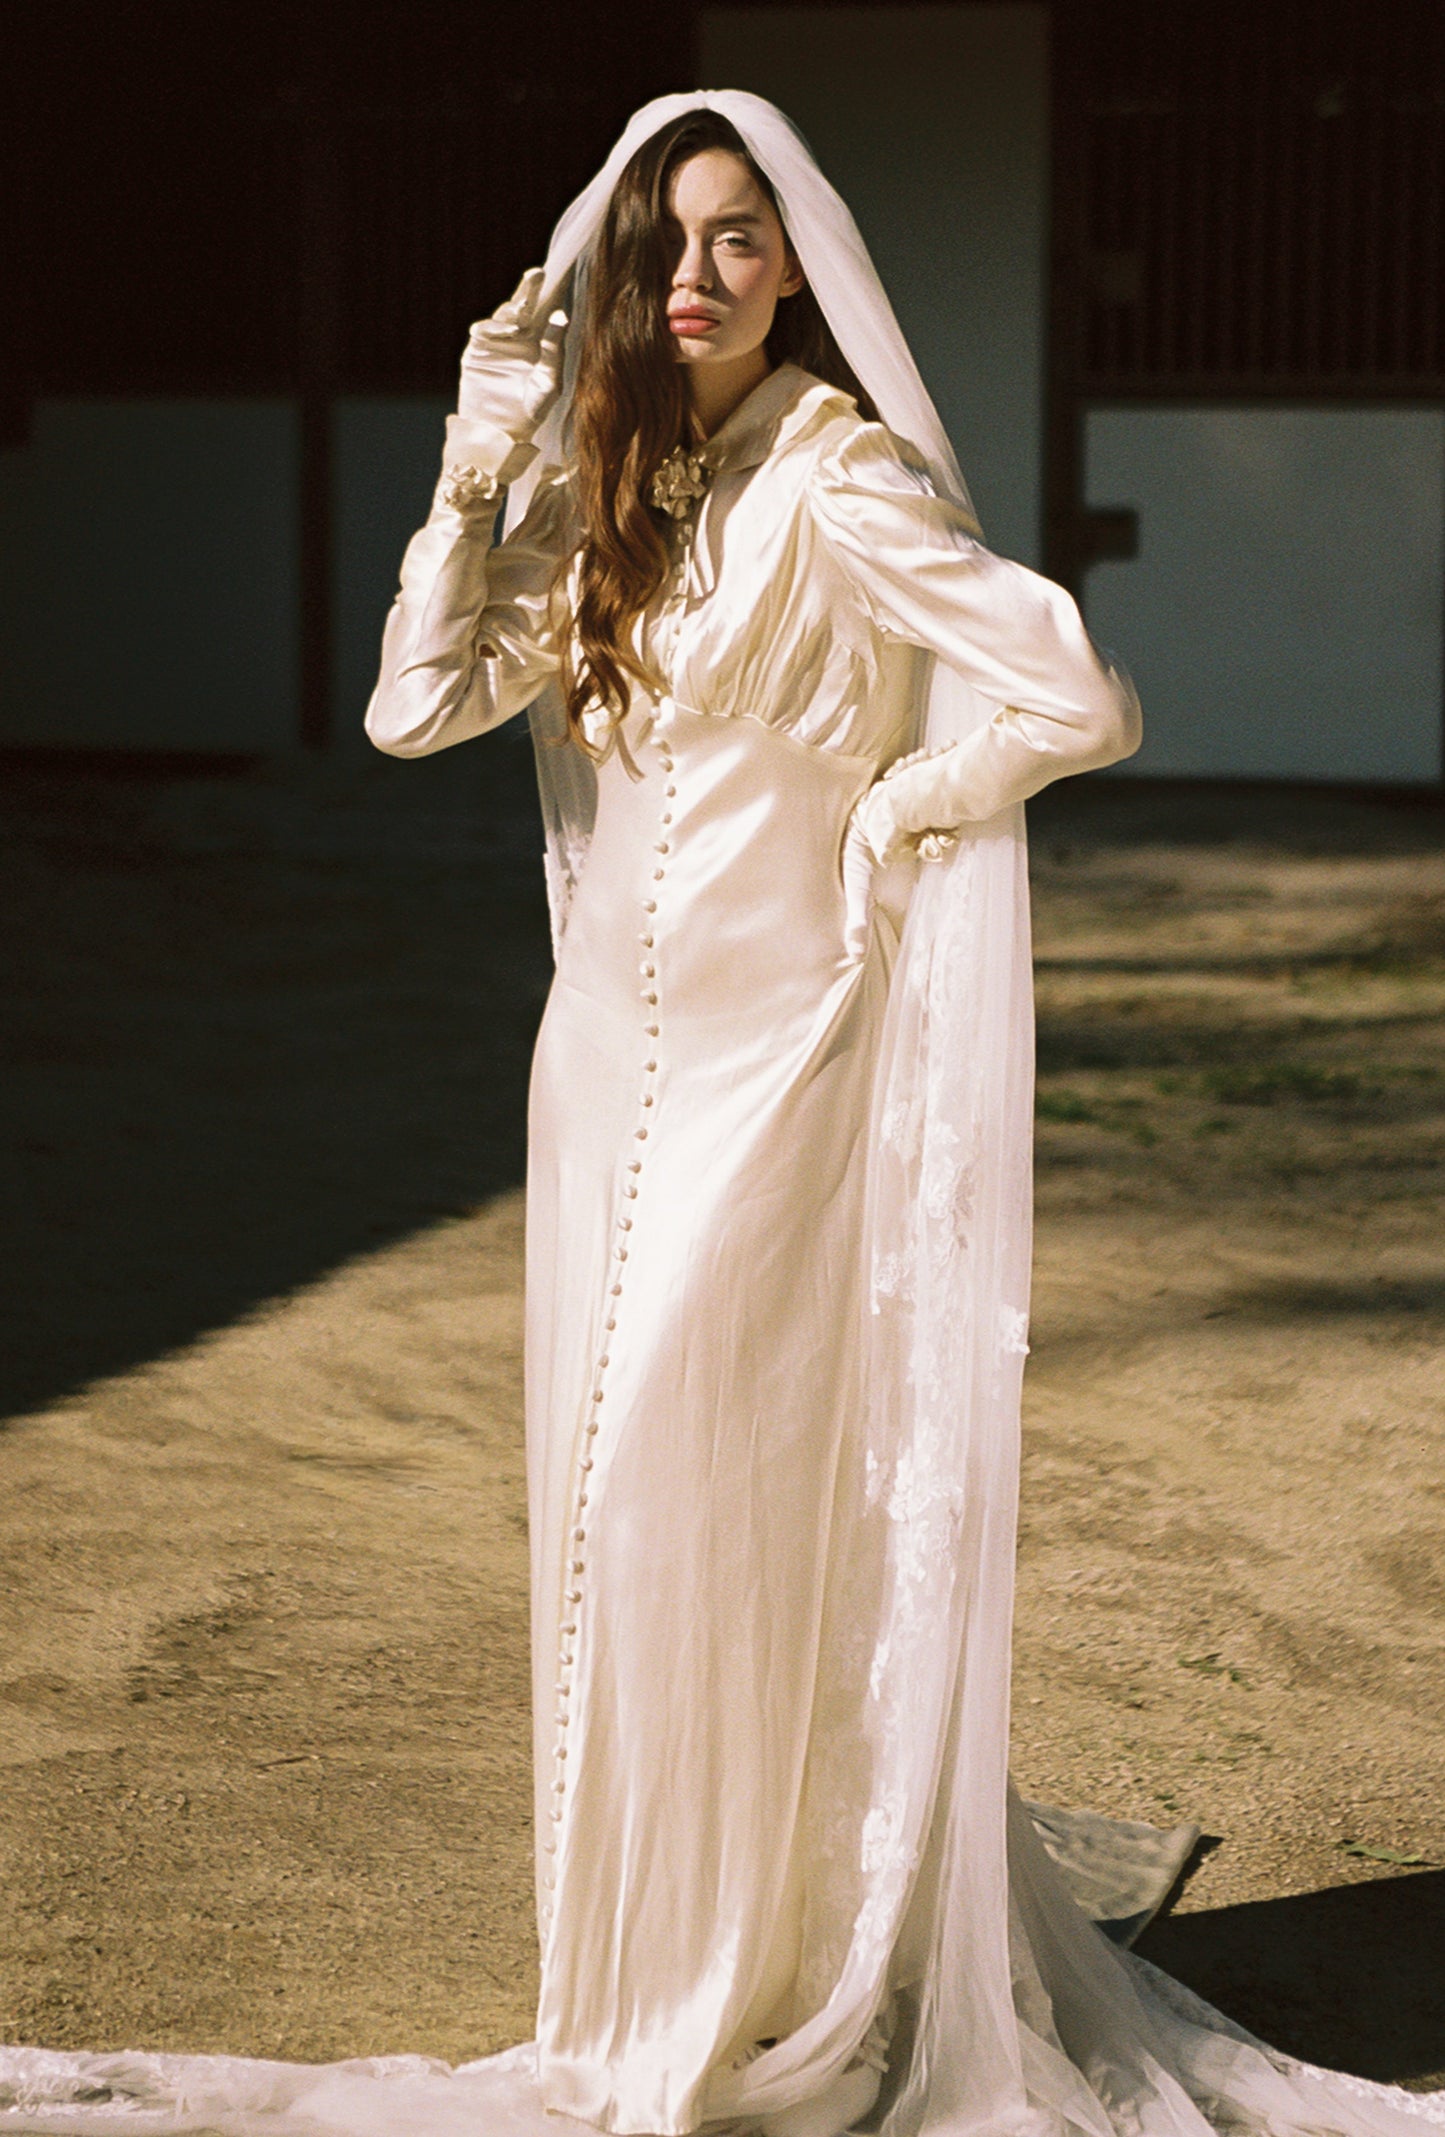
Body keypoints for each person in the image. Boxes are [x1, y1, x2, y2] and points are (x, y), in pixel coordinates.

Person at [1, 88, 1438, 2137]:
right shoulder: (614, 487)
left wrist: (910, 806)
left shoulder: (842, 485)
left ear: (795, 265)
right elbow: (414, 703)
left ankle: (716, 1987)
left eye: (739, 236)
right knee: (620, 1527)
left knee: (690, 1485)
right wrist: (481, 445)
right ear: (613, 278)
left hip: (781, 1072)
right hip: (600, 1077)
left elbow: (1076, 693)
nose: (696, 273)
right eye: (664, 240)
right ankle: (687, 1955)